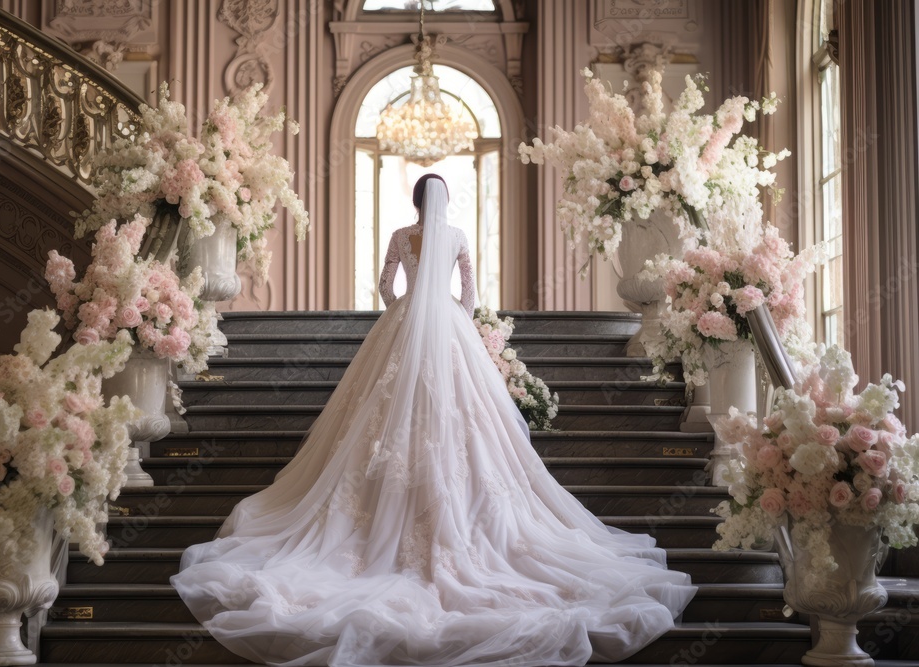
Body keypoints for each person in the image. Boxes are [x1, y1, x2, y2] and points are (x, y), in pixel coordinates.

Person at [171, 175, 696, 666]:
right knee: (463, 420)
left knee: (380, 414)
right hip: (447, 327)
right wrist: (455, 321)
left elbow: (384, 284)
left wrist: (403, 310)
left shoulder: (402, 234)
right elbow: (470, 294)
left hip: (402, 326)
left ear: (417, 203)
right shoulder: (460, 236)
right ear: (444, 202)